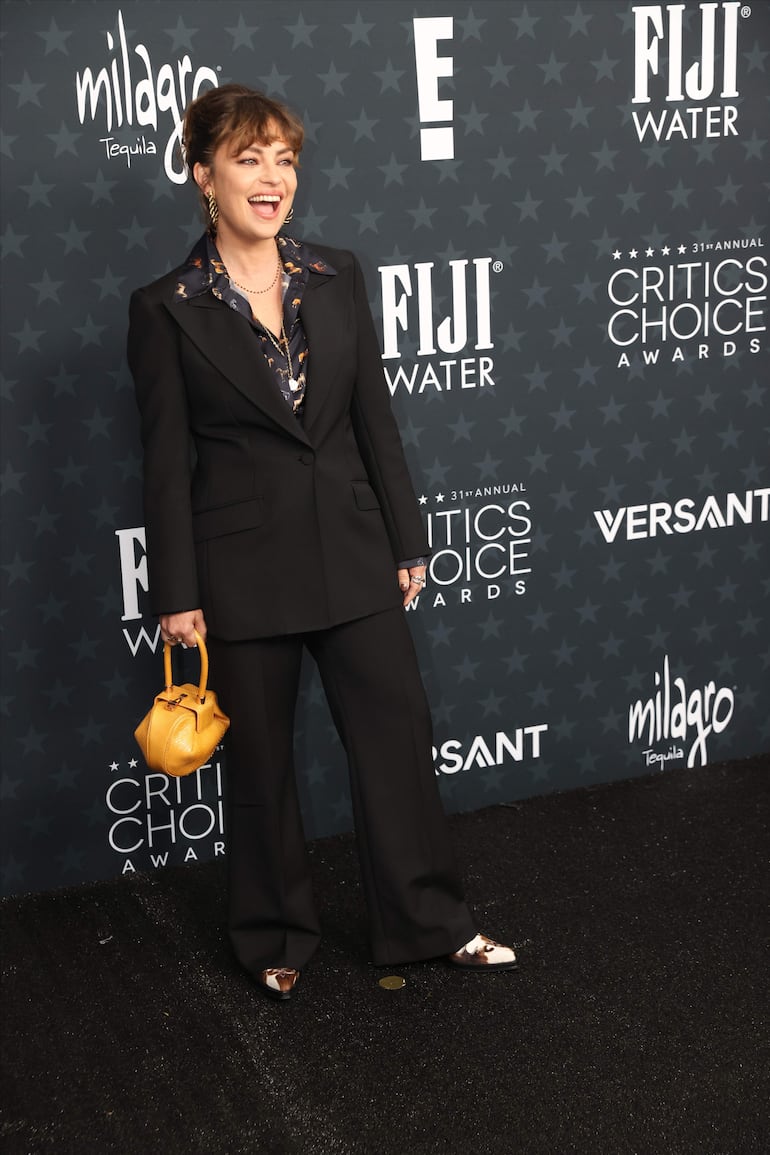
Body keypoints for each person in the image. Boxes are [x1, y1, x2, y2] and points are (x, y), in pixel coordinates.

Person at [128, 84, 517, 1001]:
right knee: (261, 763)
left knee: (396, 736)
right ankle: (272, 931)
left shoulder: (339, 272)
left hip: (352, 548)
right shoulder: (165, 307)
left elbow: (372, 416)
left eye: (285, 159)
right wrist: (177, 592)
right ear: (203, 176)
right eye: (249, 159)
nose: (273, 178)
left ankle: (428, 922)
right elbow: (165, 460)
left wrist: (406, 537)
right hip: (242, 568)